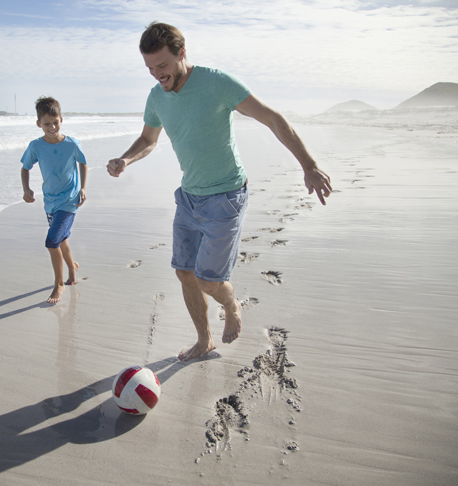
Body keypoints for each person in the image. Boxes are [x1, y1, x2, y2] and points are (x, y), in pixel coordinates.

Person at [107, 22, 332, 361]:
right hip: (188, 197)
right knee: (184, 273)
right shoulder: (157, 97)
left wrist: (309, 165)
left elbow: (272, 118)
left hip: (225, 196)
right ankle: (204, 339)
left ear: (182, 53)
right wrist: (126, 159)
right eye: (150, 68)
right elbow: (148, 140)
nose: (156, 75)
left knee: (208, 281)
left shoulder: (217, 83)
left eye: (163, 66)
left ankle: (231, 303)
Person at [21, 96, 88, 304]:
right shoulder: (35, 146)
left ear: (61, 120)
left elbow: (82, 163)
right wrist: (27, 189)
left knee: (52, 241)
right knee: (61, 239)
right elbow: (25, 167)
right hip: (50, 201)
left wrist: (83, 188)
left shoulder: (71, 144)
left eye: (55, 122)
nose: (52, 127)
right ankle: (72, 268)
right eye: (46, 123)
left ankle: (58, 284)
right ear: (38, 123)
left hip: (69, 201)